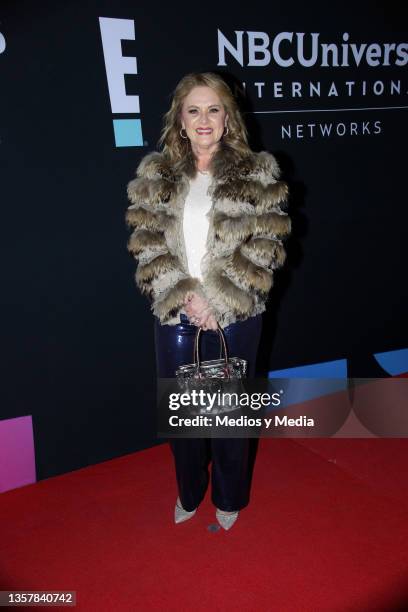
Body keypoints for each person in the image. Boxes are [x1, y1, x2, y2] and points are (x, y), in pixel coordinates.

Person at [125, 72, 291, 530]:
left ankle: (230, 496)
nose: (203, 119)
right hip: (175, 311)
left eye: (213, 109)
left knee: (229, 417)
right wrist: (186, 295)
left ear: (227, 117)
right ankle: (189, 491)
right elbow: (147, 243)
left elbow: (266, 245)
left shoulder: (257, 171)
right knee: (184, 420)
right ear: (180, 119)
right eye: (193, 110)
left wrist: (217, 300)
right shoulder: (155, 174)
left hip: (236, 312)